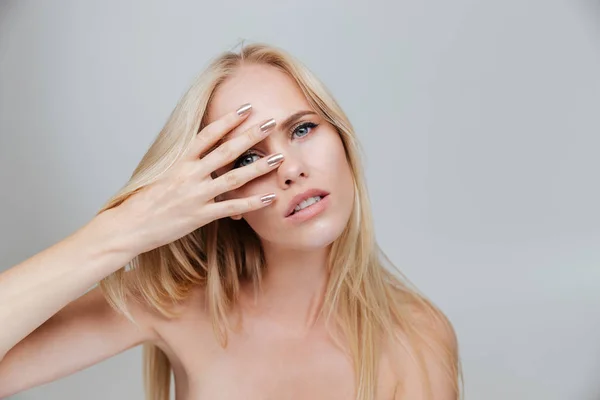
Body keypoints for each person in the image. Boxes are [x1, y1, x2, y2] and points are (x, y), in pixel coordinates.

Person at [0, 42, 462, 399]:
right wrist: (123, 232)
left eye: (302, 129)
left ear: (342, 138)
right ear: (218, 191)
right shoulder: (172, 303)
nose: (290, 169)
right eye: (246, 159)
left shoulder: (417, 334)